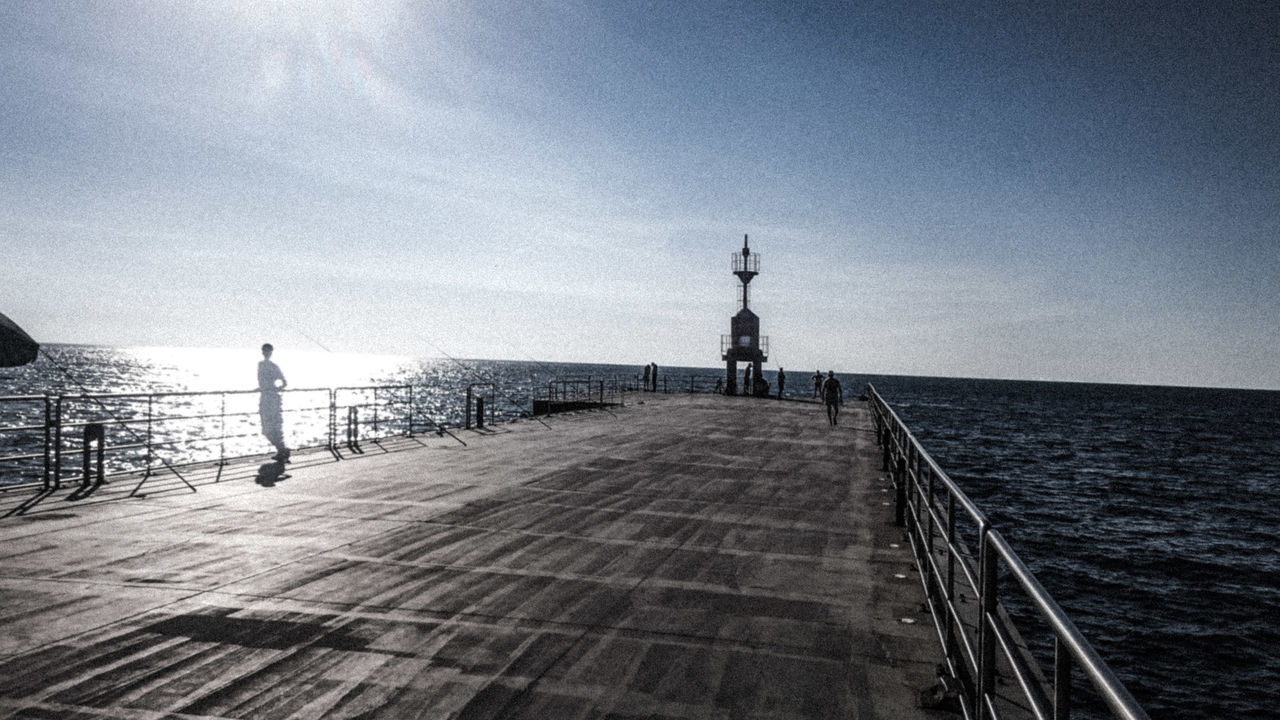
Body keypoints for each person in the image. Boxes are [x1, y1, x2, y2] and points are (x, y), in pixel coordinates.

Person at [258, 343, 290, 462]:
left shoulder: (268, 366)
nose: (265, 353)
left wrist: (272, 389)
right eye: (264, 351)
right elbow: (283, 383)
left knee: (270, 428)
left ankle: (282, 450)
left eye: (267, 351)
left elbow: (284, 383)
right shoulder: (265, 365)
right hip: (267, 397)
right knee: (268, 428)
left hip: (270, 399)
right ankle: (282, 450)